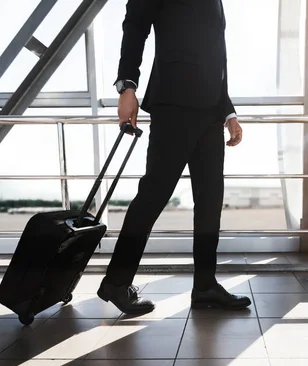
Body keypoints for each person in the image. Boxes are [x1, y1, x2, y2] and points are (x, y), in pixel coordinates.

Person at [97, 0, 251, 315]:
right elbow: (135, 24)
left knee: (210, 200)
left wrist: (228, 111)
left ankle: (205, 284)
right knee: (154, 194)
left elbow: (215, 56)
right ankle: (116, 281)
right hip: (174, 104)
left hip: (211, 112)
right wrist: (127, 86)